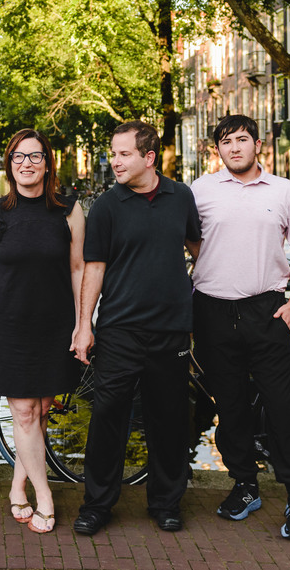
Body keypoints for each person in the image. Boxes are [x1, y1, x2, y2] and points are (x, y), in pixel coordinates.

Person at [189, 114, 290, 541]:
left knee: (282, 407)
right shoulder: (201, 191)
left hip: (266, 311)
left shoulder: (284, 191)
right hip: (212, 312)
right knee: (231, 407)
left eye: (242, 140)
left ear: (258, 144)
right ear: (217, 150)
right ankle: (245, 484)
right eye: (226, 142)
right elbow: (189, 242)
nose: (235, 148)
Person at [70, 121, 201, 536]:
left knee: (169, 419)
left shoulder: (181, 197)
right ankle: (97, 504)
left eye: (123, 154)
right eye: (112, 153)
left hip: (171, 331)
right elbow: (94, 267)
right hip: (120, 330)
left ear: (149, 157)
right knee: (108, 417)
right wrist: (83, 326)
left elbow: (201, 251)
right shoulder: (108, 205)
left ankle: (165, 502)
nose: (115, 161)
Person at [0, 129, 85, 534]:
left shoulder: (69, 210)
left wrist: (83, 323)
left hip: (55, 322)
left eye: (35, 157)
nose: (26, 164)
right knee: (22, 410)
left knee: (40, 410)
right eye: (19, 157)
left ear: (47, 164)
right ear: (9, 164)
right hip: (8, 322)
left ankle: (18, 485)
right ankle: (46, 496)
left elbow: (77, 270)